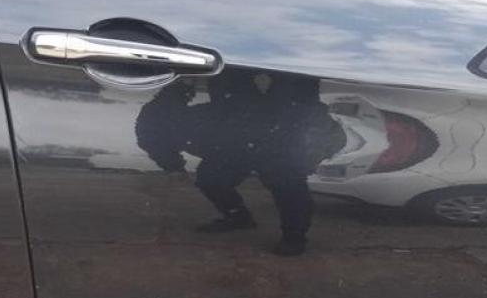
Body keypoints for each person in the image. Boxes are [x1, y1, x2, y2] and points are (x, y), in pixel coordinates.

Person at [135, 69, 345, 255]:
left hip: (254, 129)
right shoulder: (160, 124)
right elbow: (158, 135)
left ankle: (294, 236)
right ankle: (246, 220)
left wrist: (174, 166)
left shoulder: (167, 115)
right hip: (233, 143)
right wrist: (173, 166)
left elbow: (170, 105)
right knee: (216, 179)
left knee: (286, 183)